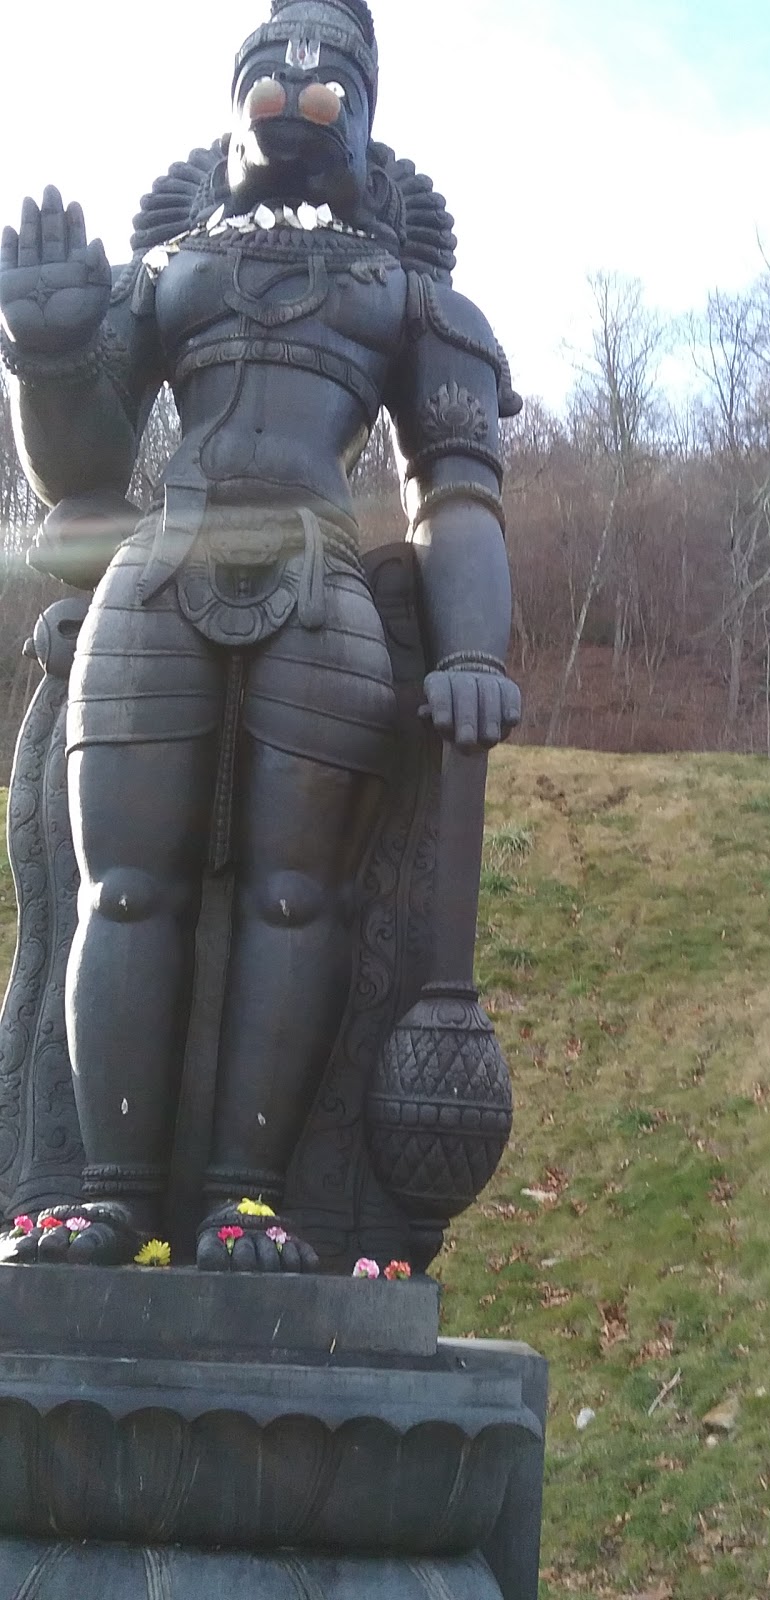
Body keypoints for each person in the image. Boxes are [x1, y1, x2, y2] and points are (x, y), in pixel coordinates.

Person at [0, 0, 520, 1269]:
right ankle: (106, 1186)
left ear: (370, 116)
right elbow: (85, 467)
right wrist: (51, 352)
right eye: (272, 70)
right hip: (158, 570)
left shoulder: (412, 297)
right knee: (119, 887)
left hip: (322, 583)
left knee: (299, 899)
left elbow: (455, 491)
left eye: (334, 71)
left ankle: (249, 1194)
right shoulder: (169, 275)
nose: (300, 89)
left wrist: (470, 650)